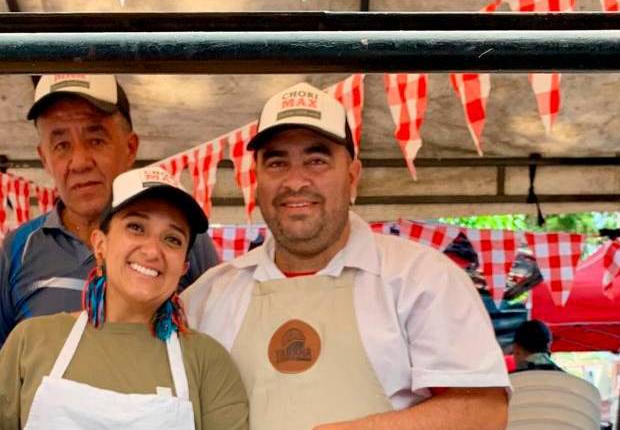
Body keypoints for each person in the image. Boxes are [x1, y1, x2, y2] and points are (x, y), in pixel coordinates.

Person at [183, 82, 510, 429]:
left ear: (353, 177)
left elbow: (484, 412)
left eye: (317, 160)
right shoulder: (207, 296)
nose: (295, 181)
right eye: (277, 162)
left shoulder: (421, 280)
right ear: (256, 180)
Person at [0, 74, 220, 421]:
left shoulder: (185, 246)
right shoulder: (20, 248)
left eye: (96, 140)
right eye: (61, 145)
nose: (79, 161)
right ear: (44, 158)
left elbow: (210, 353)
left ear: (130, 148)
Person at [0, 166, 248, 429]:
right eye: (136, 227)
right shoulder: (30, 341)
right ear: (100, 245)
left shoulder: (208, 362)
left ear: (183, 268)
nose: (152, 251)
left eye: (172, 239)